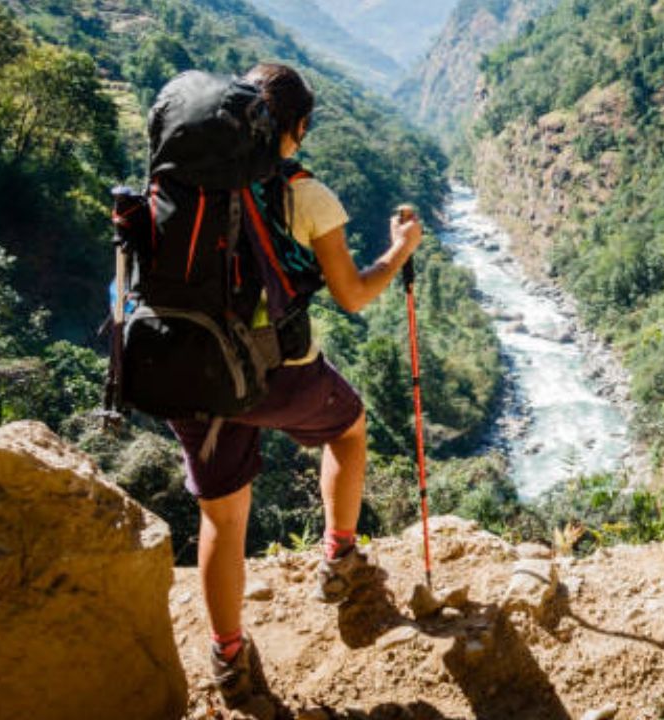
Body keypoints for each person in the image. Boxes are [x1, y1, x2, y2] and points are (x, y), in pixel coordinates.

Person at [166, 62, 423, 718]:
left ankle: (227, 657)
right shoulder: (305, 195)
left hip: (184, 369)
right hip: (274, 373)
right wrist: (400, 250)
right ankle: (339, 558)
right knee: (348, 427)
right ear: (299, 128)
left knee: (221, 518)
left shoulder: (181, 176)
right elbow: (354, 295)